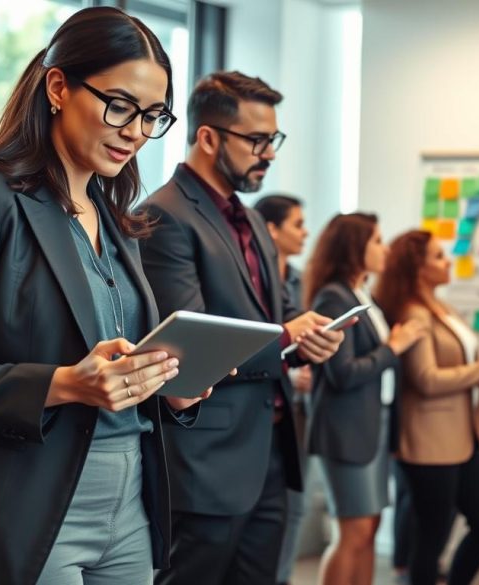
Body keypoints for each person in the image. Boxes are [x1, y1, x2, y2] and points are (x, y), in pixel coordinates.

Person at [0, 7, 209, 585]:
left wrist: (165, 387)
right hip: (22, 503)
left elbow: (113, 364)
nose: (135, 130)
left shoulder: (115, 218)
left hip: (130, 500)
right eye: (120, 105)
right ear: (58, 86)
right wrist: (65, 383)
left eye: (152, 115)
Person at [139, 71, 346, 585]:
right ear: (208, 138)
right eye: (257, 140)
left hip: (271, 450)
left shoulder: (251, 221)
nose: (269, 153)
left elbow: (272, 324)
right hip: (207, 461)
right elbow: (187, 352)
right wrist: (287, 335)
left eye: (272, 139)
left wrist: (304, 345)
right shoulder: (163, 217)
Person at [375, 230, 479, 585]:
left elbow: (454, 366)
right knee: (431, 536)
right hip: (429, 441)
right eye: (438, 256)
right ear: (418, 267)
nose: (448, 261)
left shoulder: (440, 306)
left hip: (462, 438)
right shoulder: (414, 314)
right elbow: (428, 380)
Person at [305, 214, 425, 585]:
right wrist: (395, 347)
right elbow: (343, 373)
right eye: (376, 241)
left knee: (369, 528)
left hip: (372, 426)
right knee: (353, 532)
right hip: (347, 430)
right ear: (354, 248)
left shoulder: (362, 295)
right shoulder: (333, 296)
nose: (385, 249)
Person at [254, 193, 312, 585]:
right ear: (270, 230)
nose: (306, 232)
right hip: (252, 415)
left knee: (288, 515)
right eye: (297, 224)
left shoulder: (296, 279)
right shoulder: (257, 276)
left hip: (284, 419)